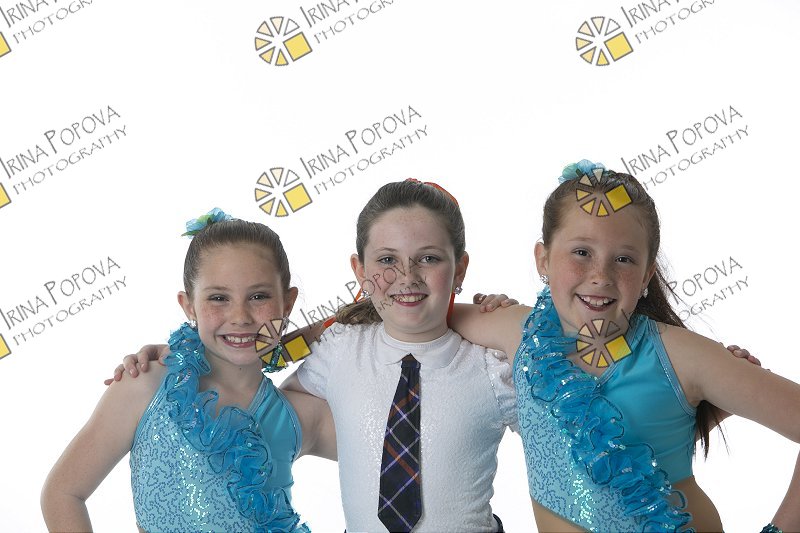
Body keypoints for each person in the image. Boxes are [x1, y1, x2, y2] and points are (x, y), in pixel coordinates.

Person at [114, 180, 518, 532]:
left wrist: (494, 320)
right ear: (361, 271)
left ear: (459, 269)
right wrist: (184, 354)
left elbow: (552, 425)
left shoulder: (491, 367)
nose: (407, 276)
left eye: (428, 258)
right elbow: (266, 351)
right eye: (387, 260)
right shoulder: (339, 344)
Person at [449, 161, 800, 532]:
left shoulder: (683, 355)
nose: (601, 275)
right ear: (543, 259)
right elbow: (424, 314)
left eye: (623, 259)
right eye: (581, 252)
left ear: (647, 274)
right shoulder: (518, 331)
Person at [41, 210, 335, 532]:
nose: (240, 316)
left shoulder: (304, 417)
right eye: (219, 298)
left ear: (288, 303)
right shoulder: (147, 388)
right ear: (188, 305)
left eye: (258, 296)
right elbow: (63, 493)